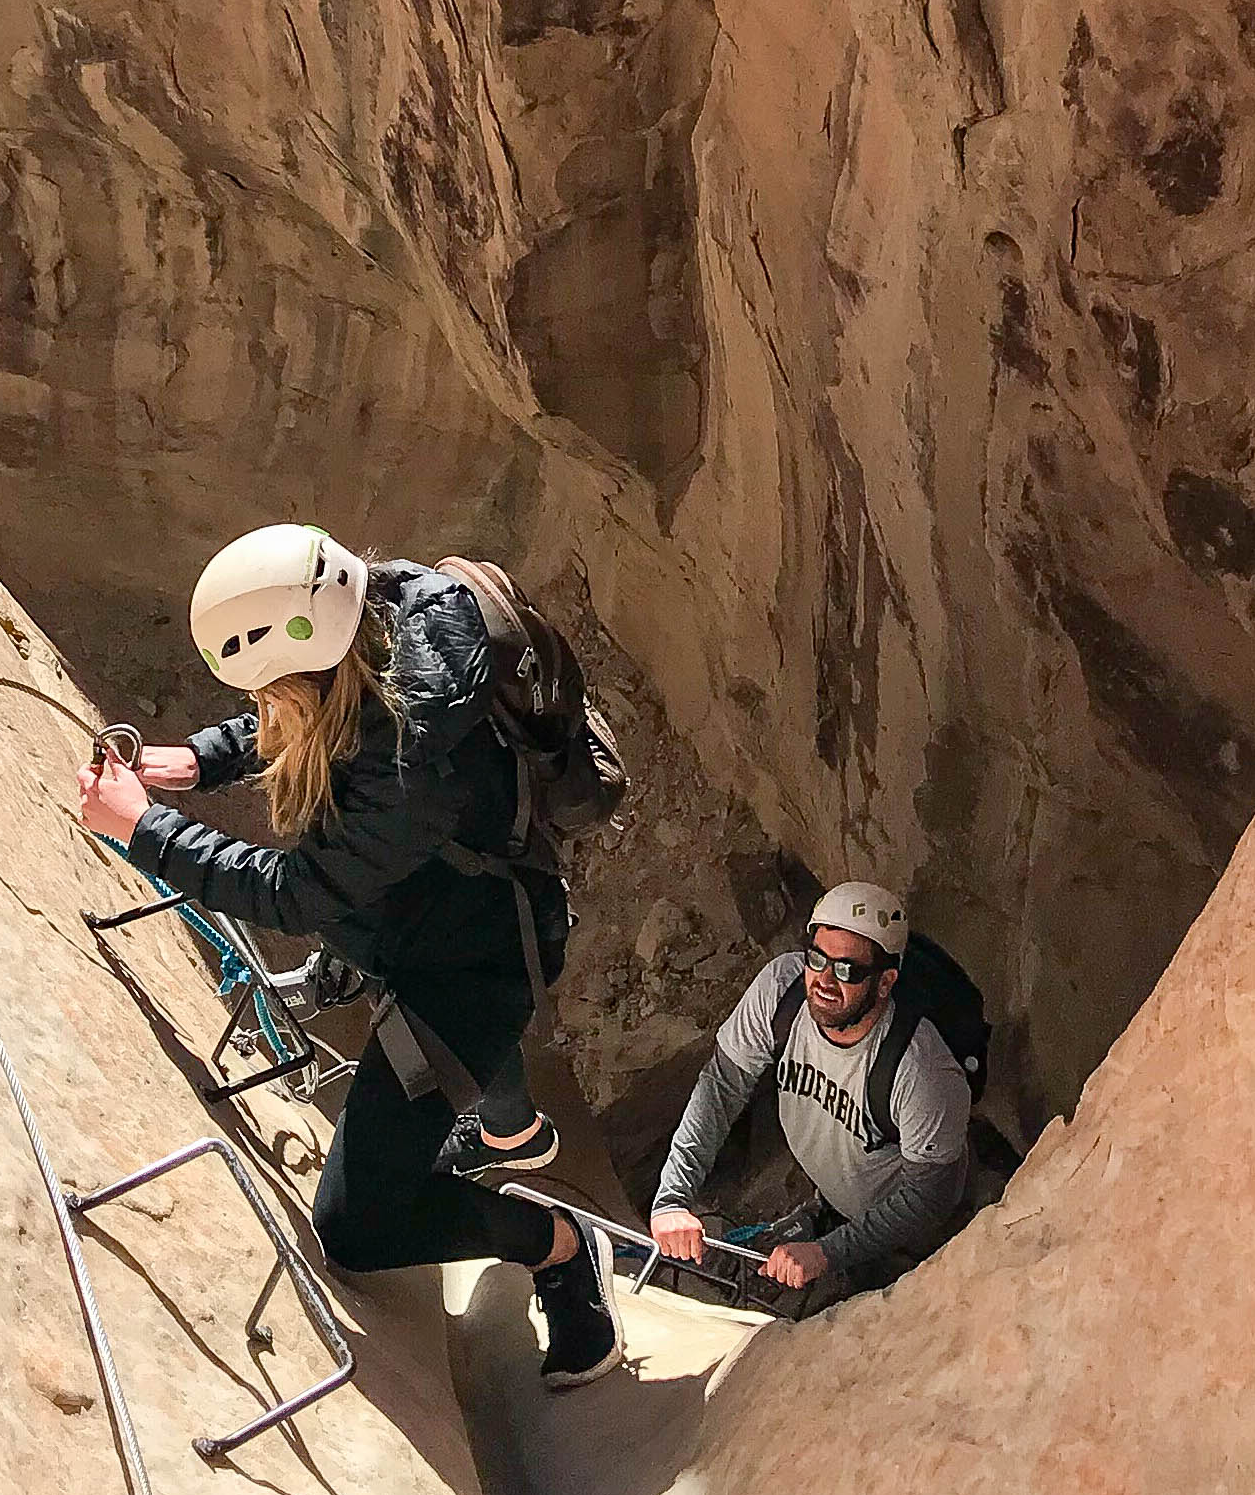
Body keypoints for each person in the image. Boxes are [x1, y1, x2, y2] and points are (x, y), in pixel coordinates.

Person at [75, 524, 622, 1388]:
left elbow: (293, 895)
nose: (259, 708)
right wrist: (199, 761)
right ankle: (510, 1128)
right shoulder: (384, 605)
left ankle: (558, 1247)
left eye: (265, 691)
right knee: (468, 1069)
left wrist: (144, 830)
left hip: (465, 969)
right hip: (438, 919)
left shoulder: (410, 765)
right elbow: (318, 711)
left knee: (358, 1223)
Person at [649, 882, 971, 1313]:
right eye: (817, 959)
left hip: (913, 1238)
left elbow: (928, 1199)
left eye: (847, 970)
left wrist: (827, 1253)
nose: (824, 981)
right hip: (840, 1196)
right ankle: (823, 1220)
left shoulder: (920, 1071)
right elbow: (721, 1088)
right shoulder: (781, 993)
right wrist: (673, 1196)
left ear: (884, 983)